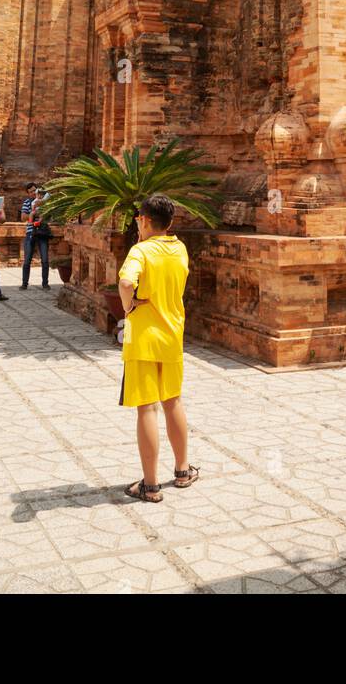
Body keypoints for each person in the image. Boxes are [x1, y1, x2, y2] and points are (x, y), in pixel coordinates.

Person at [117, 193, 197, 503]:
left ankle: (150, 485)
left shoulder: (141, 251)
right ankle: (182, 470)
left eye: (138, 219)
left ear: (146, 221)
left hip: (143, 341)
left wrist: (129, 306)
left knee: (146, 408)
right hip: (172, 336)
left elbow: (126, 283)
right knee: (173, 402)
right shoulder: (179, 249)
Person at [20, 183, 49, 290]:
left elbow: (48, 214)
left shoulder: (44, 201)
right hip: (30, 232)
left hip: (42, 232)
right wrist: (34, 213)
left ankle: (45, 283)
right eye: (31, 191)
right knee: (27, 260)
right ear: (28, 193)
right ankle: (24, 283)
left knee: (45, 260)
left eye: (34, 190)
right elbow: (23, 217)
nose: (33, 193)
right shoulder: (27, 202)